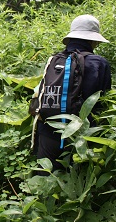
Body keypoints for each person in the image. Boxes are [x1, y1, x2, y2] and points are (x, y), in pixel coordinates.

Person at [35, 14, 111, 172]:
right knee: (77, 183)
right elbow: (103, 102)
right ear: (93, 40)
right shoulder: (99, 63)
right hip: (81, 135)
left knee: (45, 181)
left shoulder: (53, 60)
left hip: (48, 130)